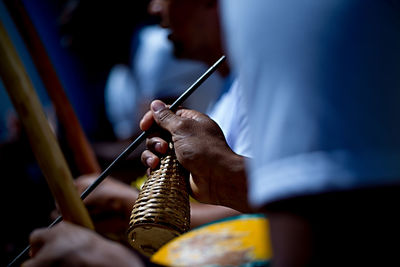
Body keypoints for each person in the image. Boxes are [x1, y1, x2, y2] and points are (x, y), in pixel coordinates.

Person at [24, 0, 400, 266]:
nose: (153, 9)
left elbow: (327, 232)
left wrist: (122, 233)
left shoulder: (296, 20)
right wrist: (225, 176)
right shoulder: (235, 86)